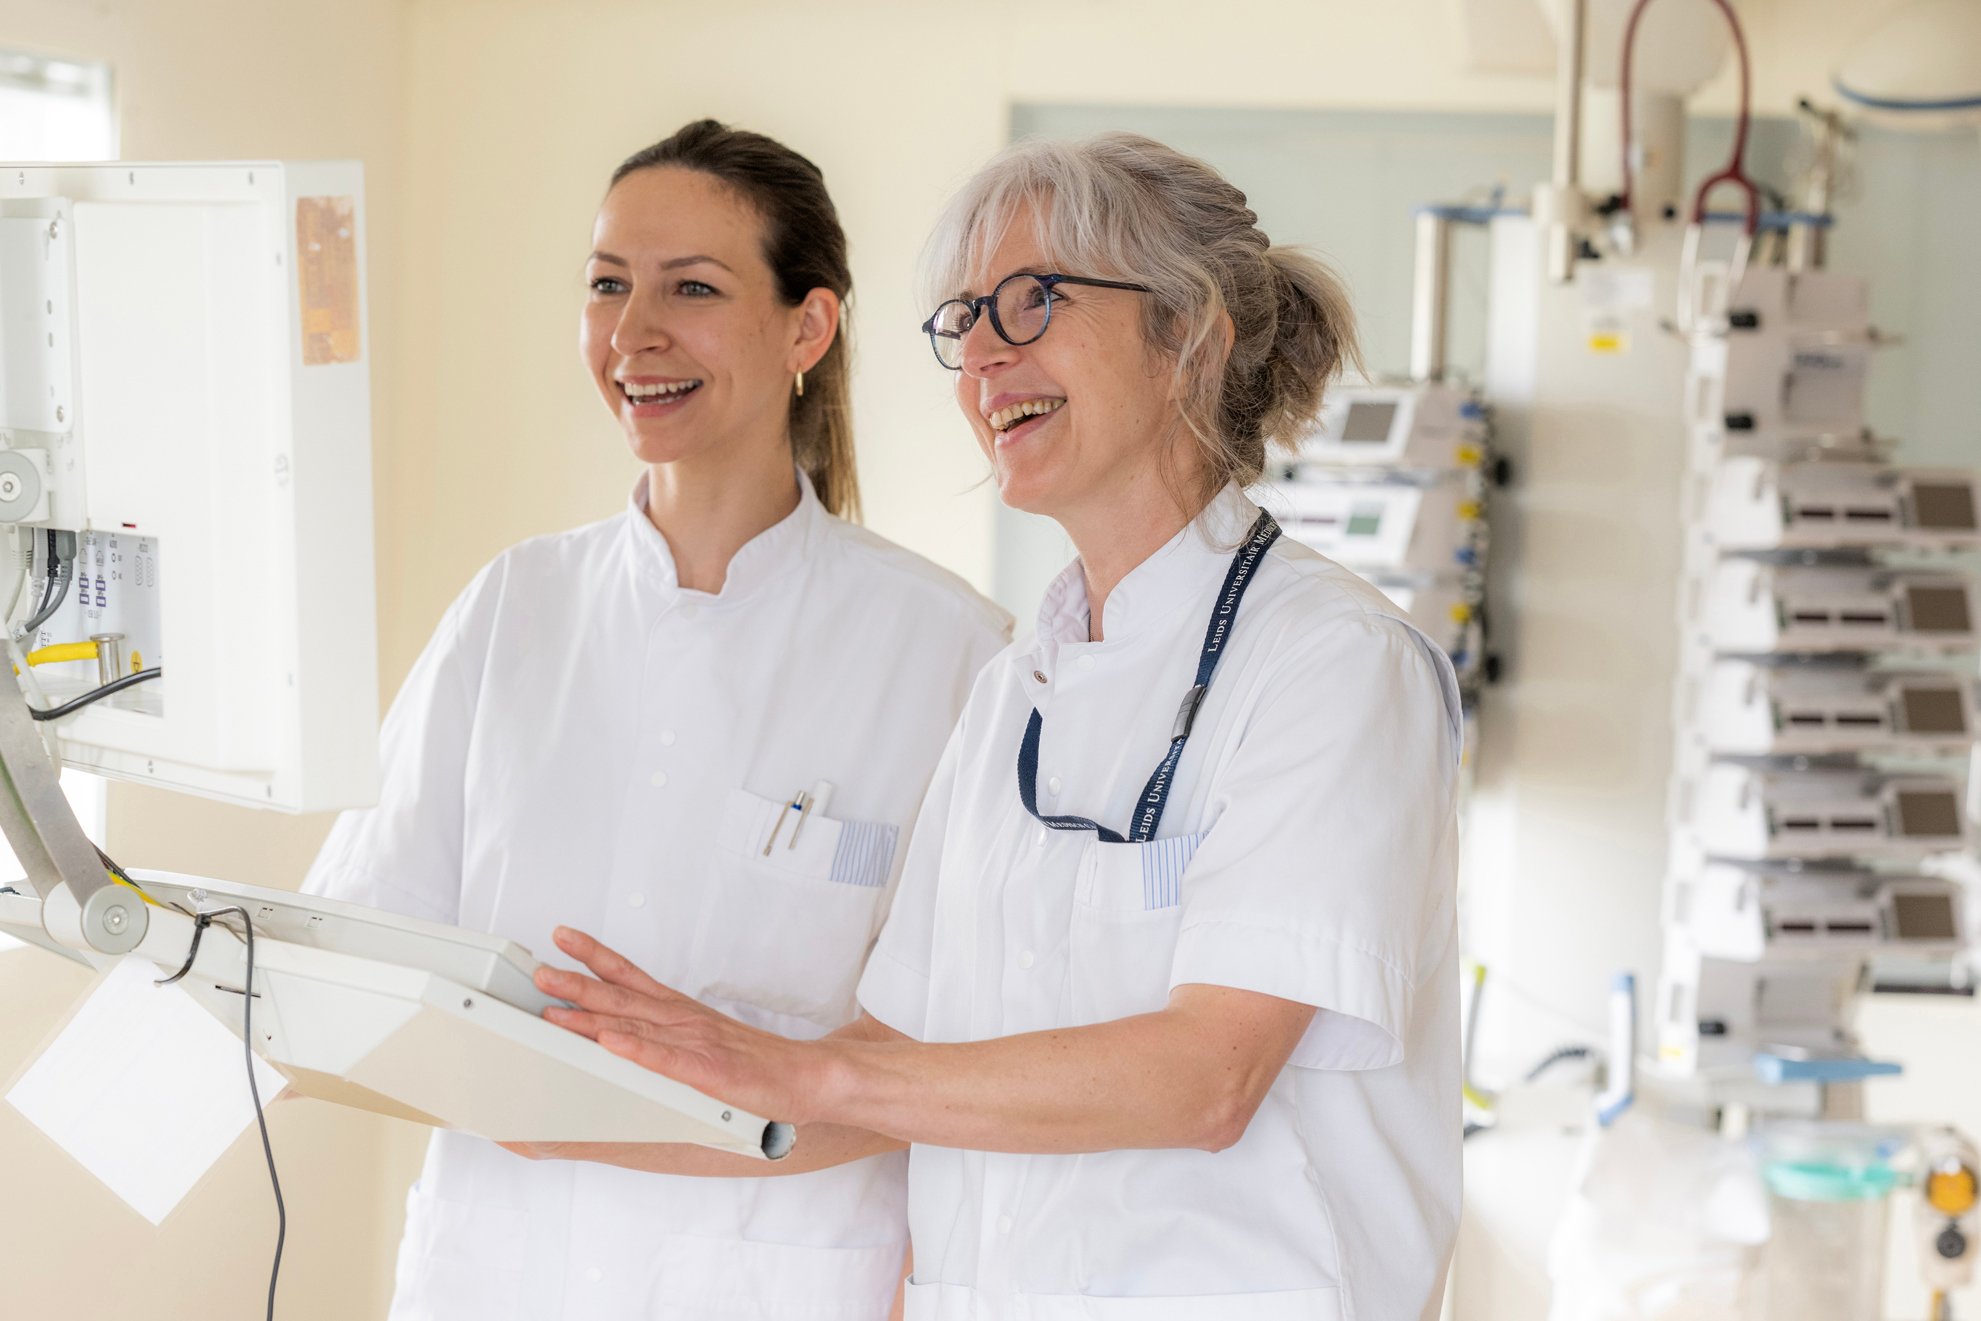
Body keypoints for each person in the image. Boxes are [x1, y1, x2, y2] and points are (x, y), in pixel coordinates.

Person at [532, 131, 1465, 1320]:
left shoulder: (1333, 665)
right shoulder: (1012, 692)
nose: (979, 354)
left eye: (1031, 301)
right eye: (964, 318)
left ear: (1188, 333)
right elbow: (889, 1069)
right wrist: (549, 1105)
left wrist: (798, 1069)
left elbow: (1209, 1076)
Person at [302, 119, 1010, 1321]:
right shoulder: (514, 607)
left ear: (807, 327)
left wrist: (582, 1116)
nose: (633, 332)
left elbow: (941, 1076)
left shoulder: (949, 652)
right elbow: (362, 949)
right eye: (606, 285)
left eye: (691, 287)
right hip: (495, 1275)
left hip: (778, 1286)